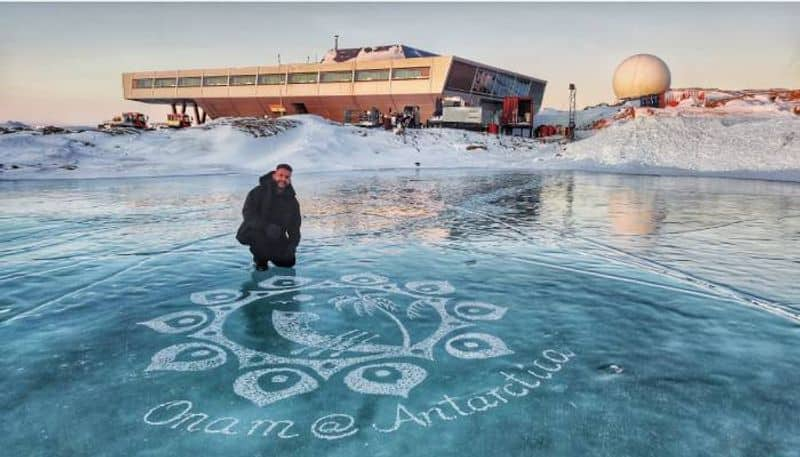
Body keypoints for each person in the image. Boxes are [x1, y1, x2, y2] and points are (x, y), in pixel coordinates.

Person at [236, 164, 301, 270]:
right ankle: (260, 261)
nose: (283, 179)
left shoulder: (292, 201)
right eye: (281, 175)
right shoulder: (257, 192)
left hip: (277, 235)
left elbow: (295, 226)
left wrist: (292, 246)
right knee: (259, 241)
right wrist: (266, 226)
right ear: (274, 175)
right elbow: (248, 215)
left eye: (287, 177)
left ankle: (271, 253)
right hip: (255, 231)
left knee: (288, 262)